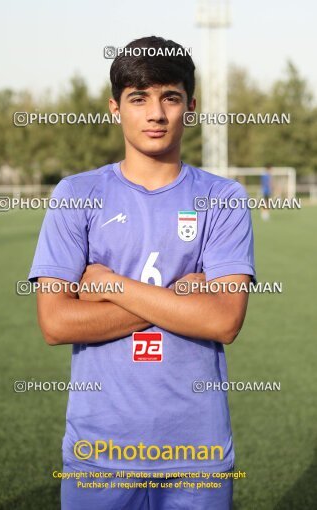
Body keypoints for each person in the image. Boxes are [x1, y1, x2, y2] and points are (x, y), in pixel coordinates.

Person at [28, 35, 256, 510]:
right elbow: (55, 324)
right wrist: (179, 300)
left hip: (199, 451)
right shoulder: (75, 195)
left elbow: (223, 322)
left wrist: (112, 286)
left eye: (170, 97)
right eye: (139, 99)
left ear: (190, 106)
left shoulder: (225, 198)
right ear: (115, 108)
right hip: (101, 451)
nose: (156, 113)